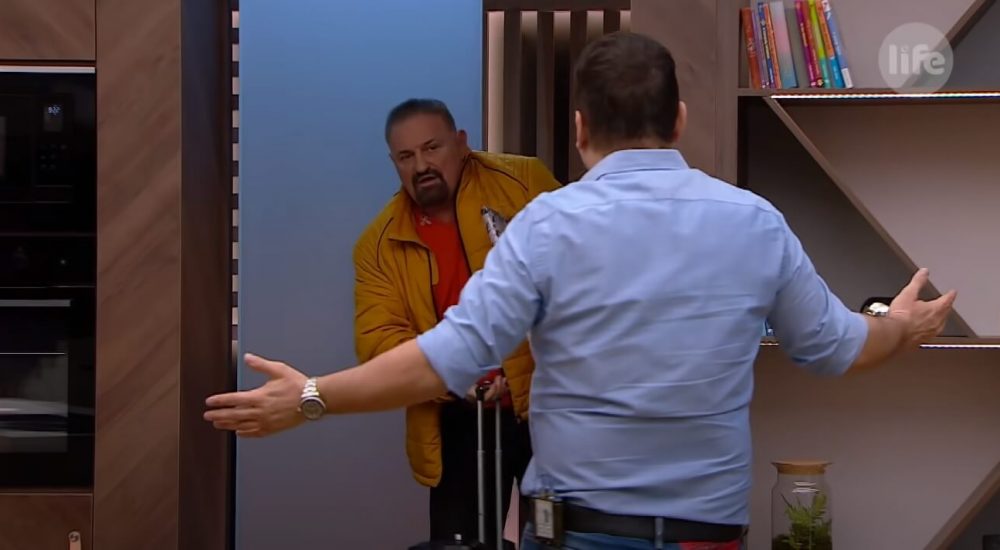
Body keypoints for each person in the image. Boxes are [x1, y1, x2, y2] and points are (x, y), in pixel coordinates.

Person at [205, 32, 956, 549]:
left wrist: (311, 398)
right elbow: (837, 348)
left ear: (579, 128)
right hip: (706, 534)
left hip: (576, 529)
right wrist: (900, 324)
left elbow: (444, 359)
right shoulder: (754, 222)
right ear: (679, 120)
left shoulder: (543, 224)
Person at [356, 98, 561, 547]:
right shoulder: (379, 244)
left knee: (555, 537)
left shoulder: (524, 181)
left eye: (432, 148)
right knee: (460, 542)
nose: (421, 166)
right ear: (394, 163)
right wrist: (453, 377)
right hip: (456, 416)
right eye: (406, 156)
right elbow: (378, 341)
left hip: (546, 405)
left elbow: (577, 272)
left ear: (462, 143)